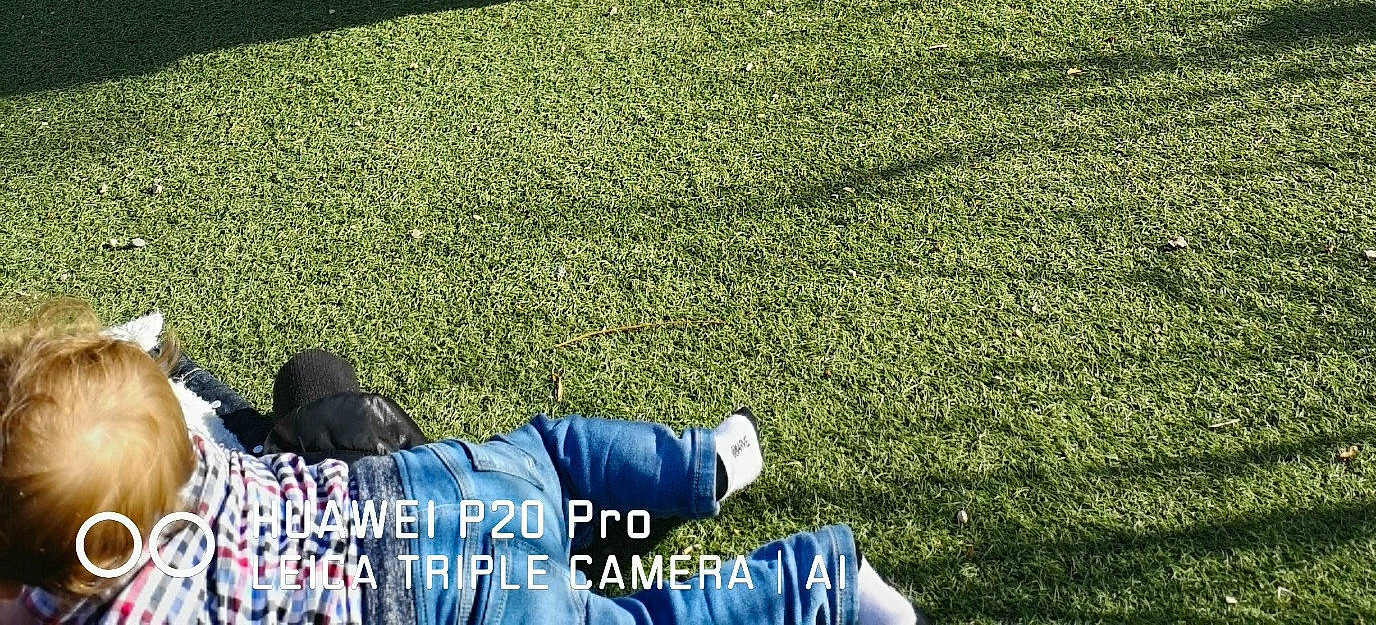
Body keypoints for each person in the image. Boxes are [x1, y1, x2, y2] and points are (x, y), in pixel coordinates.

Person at [0, 299, 925, 625]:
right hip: (433, 486)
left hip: (456, 604)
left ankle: (821, 586)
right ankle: (694, 464)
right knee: (557, 455)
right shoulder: (188, 449)